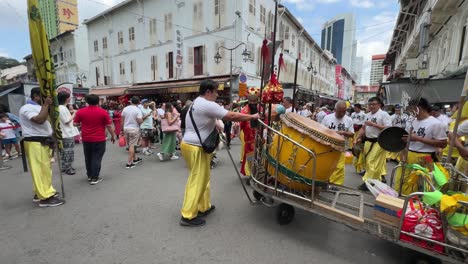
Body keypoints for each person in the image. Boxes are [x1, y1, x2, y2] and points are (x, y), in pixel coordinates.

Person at [180, 79, 259, 227]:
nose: (217, 94)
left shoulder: (197, 102)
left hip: (191, 144)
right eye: (216, 91)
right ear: (208, 91)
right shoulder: (207, 104)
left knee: (203, 177)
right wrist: (252, 117)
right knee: (197, 179)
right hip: (196, 146)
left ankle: (204, 206)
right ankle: (188, 215)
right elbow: (232, 116)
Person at [19, 87, 64, 207]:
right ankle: (45, 197)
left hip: (43, 141)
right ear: (36, 96)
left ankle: (41, 192)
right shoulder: (27, 108)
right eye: (45, 96)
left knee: (45, 169)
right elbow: (39, 120)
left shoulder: (39, 107)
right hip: (34, 142)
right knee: (39, 170)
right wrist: (46, 105)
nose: (48, 99)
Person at [395, 98, 447, 195]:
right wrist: (402, 153)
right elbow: (407, 139)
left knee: (423, 185)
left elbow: (443, 143)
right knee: (402, 182)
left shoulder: (436, 123)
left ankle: (418, 207)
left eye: (411, 108)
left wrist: (418, 139)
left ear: (418, 108)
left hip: (426, 158)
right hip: (408, 154)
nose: (409, 111)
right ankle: (403, 203)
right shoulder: (411, 122)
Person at [74, 94, 116, 185]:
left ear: (87, 102)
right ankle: (94, 177)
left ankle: (89, 175)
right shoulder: (103, 112)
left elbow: (75, 124)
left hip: (86, 138)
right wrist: (113, 135)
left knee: (88, 157)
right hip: (99, 139)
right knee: (96, 158)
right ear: (98, 102)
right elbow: (109, 125)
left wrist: (83, 124)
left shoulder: (80, 111)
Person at [354, 97, 391, 191]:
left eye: (373, 104)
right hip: (368, 141)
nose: (371, 106)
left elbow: (388, 129)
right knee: (368, 162)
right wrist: (357, 138)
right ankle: (375, 180)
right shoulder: (367, 115)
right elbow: (363, 128)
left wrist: (374, 125)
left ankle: (368, 182)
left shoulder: (384, 114)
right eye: (369, 104)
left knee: (371, 161)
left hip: (379, 142)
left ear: (379, 105)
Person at [321, 101, 354, 185]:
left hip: (341, 146)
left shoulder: (348, 119)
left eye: (344, 111)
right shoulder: (327, 118)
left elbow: (352, 133)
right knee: (326, 165)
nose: (342, 113)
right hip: (328, 145)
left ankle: (336, 184)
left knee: (339, 166)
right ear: (335, 110)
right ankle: (324, 180)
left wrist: (343, 133)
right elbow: (321, 130)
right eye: (340, 111)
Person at [240, 87, 262, 177]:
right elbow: (240, 121)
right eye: (251, 101)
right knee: (250, 158)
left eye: (254, 101)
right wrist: (237, 127)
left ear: (257, 100)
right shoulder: (244, 110)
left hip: (260, 138)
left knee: (260, 157)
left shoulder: (261, 109)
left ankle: (259, 173)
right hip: (249, 140)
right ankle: (251, 175)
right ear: (248, 100)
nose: (252, 103)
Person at [57, 92, 80, 175]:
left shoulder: (61, 108)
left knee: (65, 151)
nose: (70, 98)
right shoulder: (62, 108)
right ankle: (68, 168)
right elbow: (67, 121)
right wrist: (74, 113)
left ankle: (65, 166)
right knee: (68, 151)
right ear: (66, 98)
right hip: (66, 133)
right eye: (69, 97)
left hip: (65, 133)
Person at [122, 97, 144, 168]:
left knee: (130, 144)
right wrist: (142, 119)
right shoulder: (138, 110)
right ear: (138, 102)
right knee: (132, 145)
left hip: (126, 128)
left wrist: (121, 129)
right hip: (134, 128)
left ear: (131, 101)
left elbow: (122, 119)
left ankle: (135, 159)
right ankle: (129, 163)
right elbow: (140, 121)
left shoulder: (125, 109)